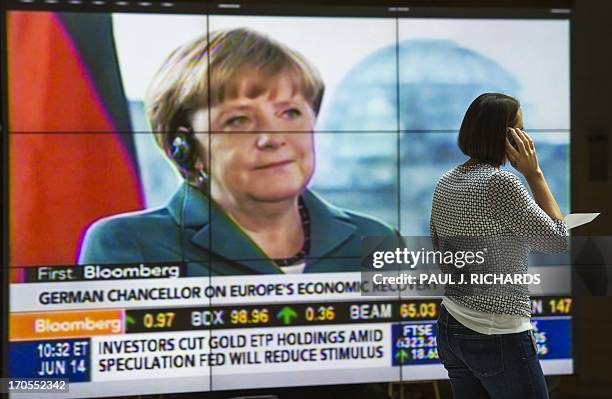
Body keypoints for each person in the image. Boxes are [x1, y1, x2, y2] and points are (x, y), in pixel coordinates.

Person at [78, 28, 396, 276]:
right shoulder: (129, 244)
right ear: (186, 147)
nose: (272, 137)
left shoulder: (376, 238)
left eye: (290, 113)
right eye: (238, 120)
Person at [430, 93, 568, 398]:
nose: (526, 137)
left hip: (451, 324)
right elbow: (558, 240)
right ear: (504, 136)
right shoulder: (501, 183)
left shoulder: (446, 180)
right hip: (497, 333)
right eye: (520, 128)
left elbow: (440, 248)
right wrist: (535, 174)